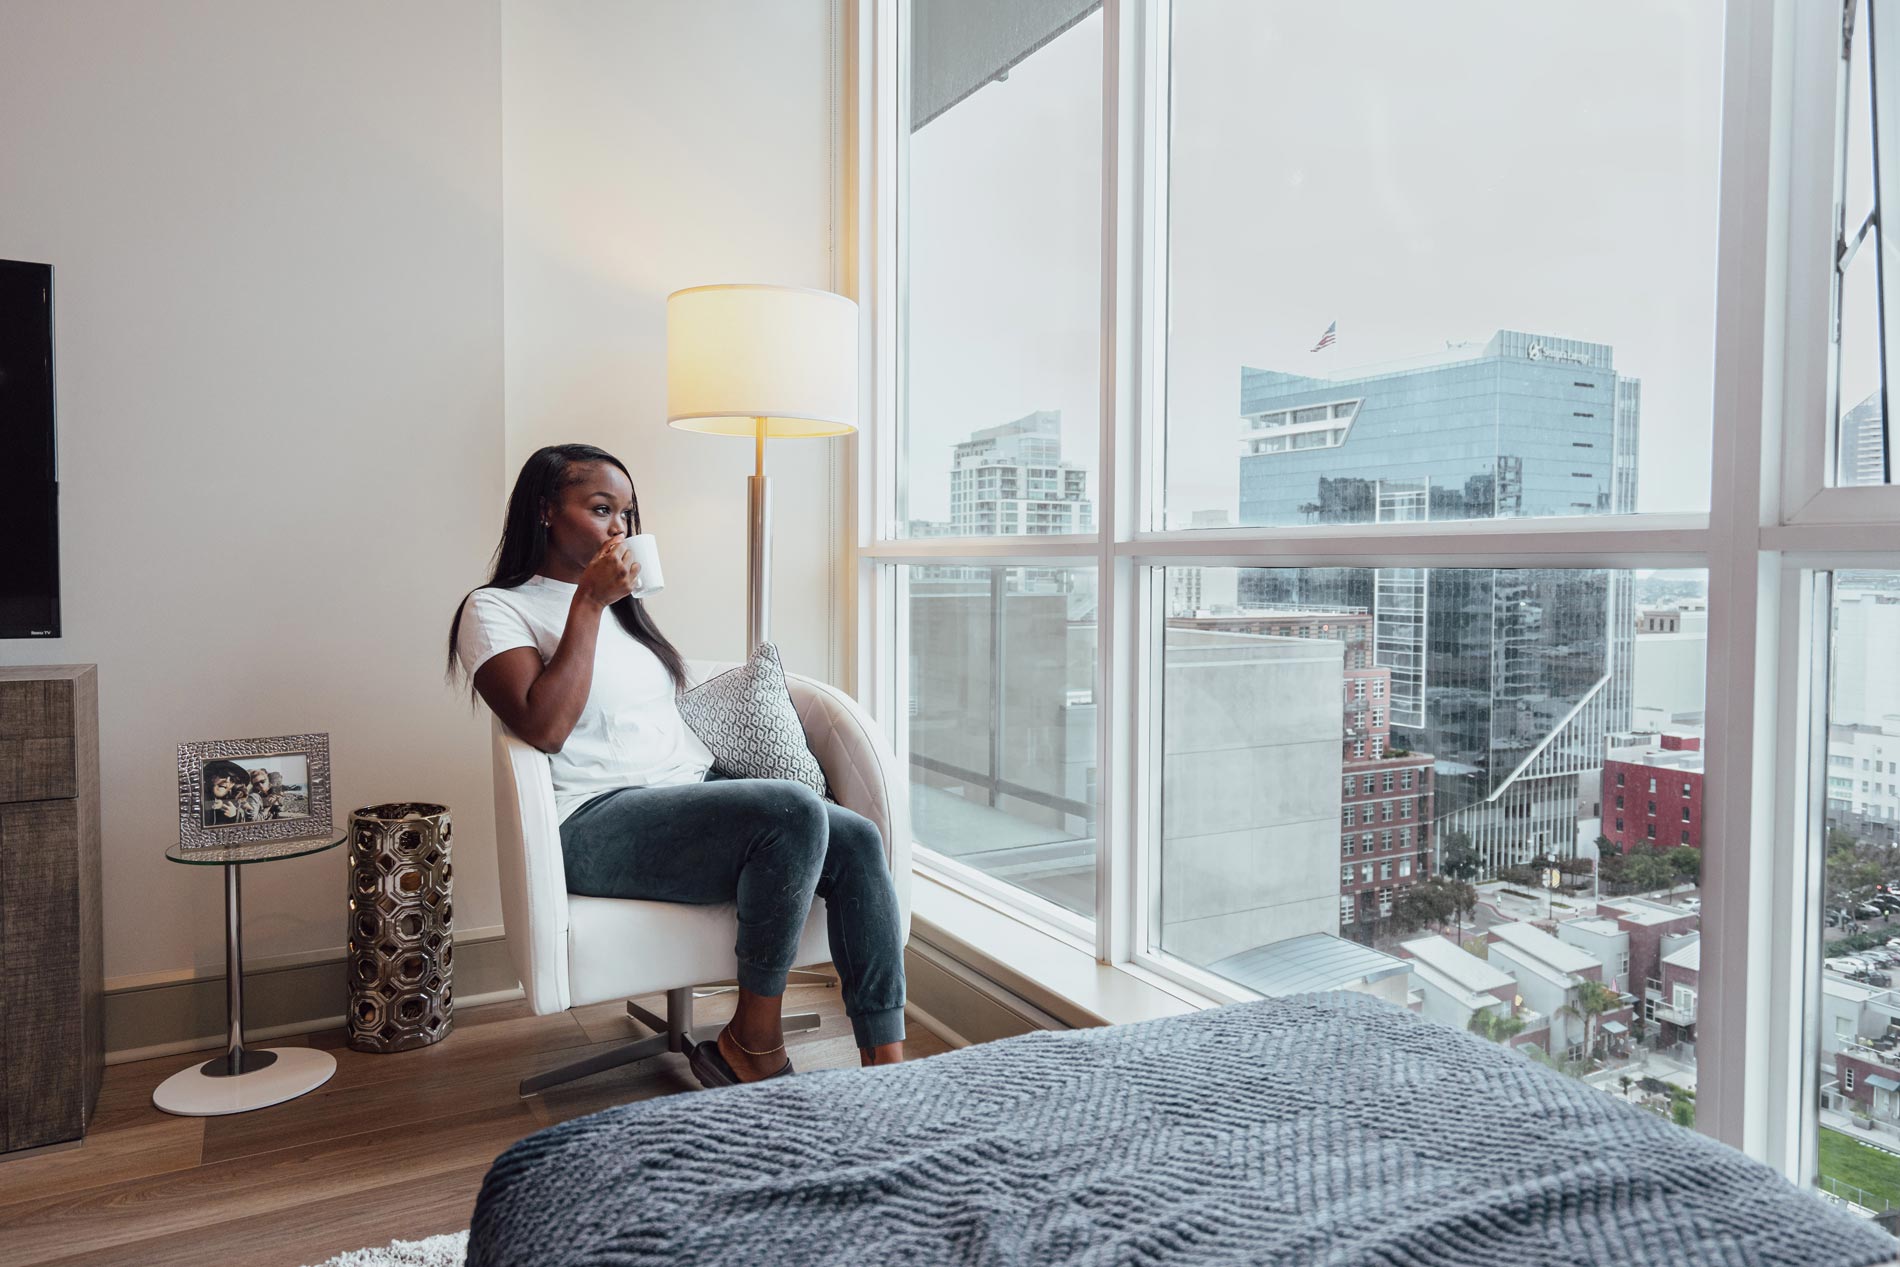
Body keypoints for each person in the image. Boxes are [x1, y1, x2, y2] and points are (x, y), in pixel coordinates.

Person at [446, 443, 905, 1086]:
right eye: (602, 509)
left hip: (684, 795)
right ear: (546, 511)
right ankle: (755, 1042)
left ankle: (888, 1066)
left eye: (627, 515)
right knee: (790, 809)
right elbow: (544, 727)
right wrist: (586, 605)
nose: (620, 529)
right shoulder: (496, 610)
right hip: (592, 819)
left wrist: (605, 605)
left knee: (855, 836)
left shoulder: (627, 613)